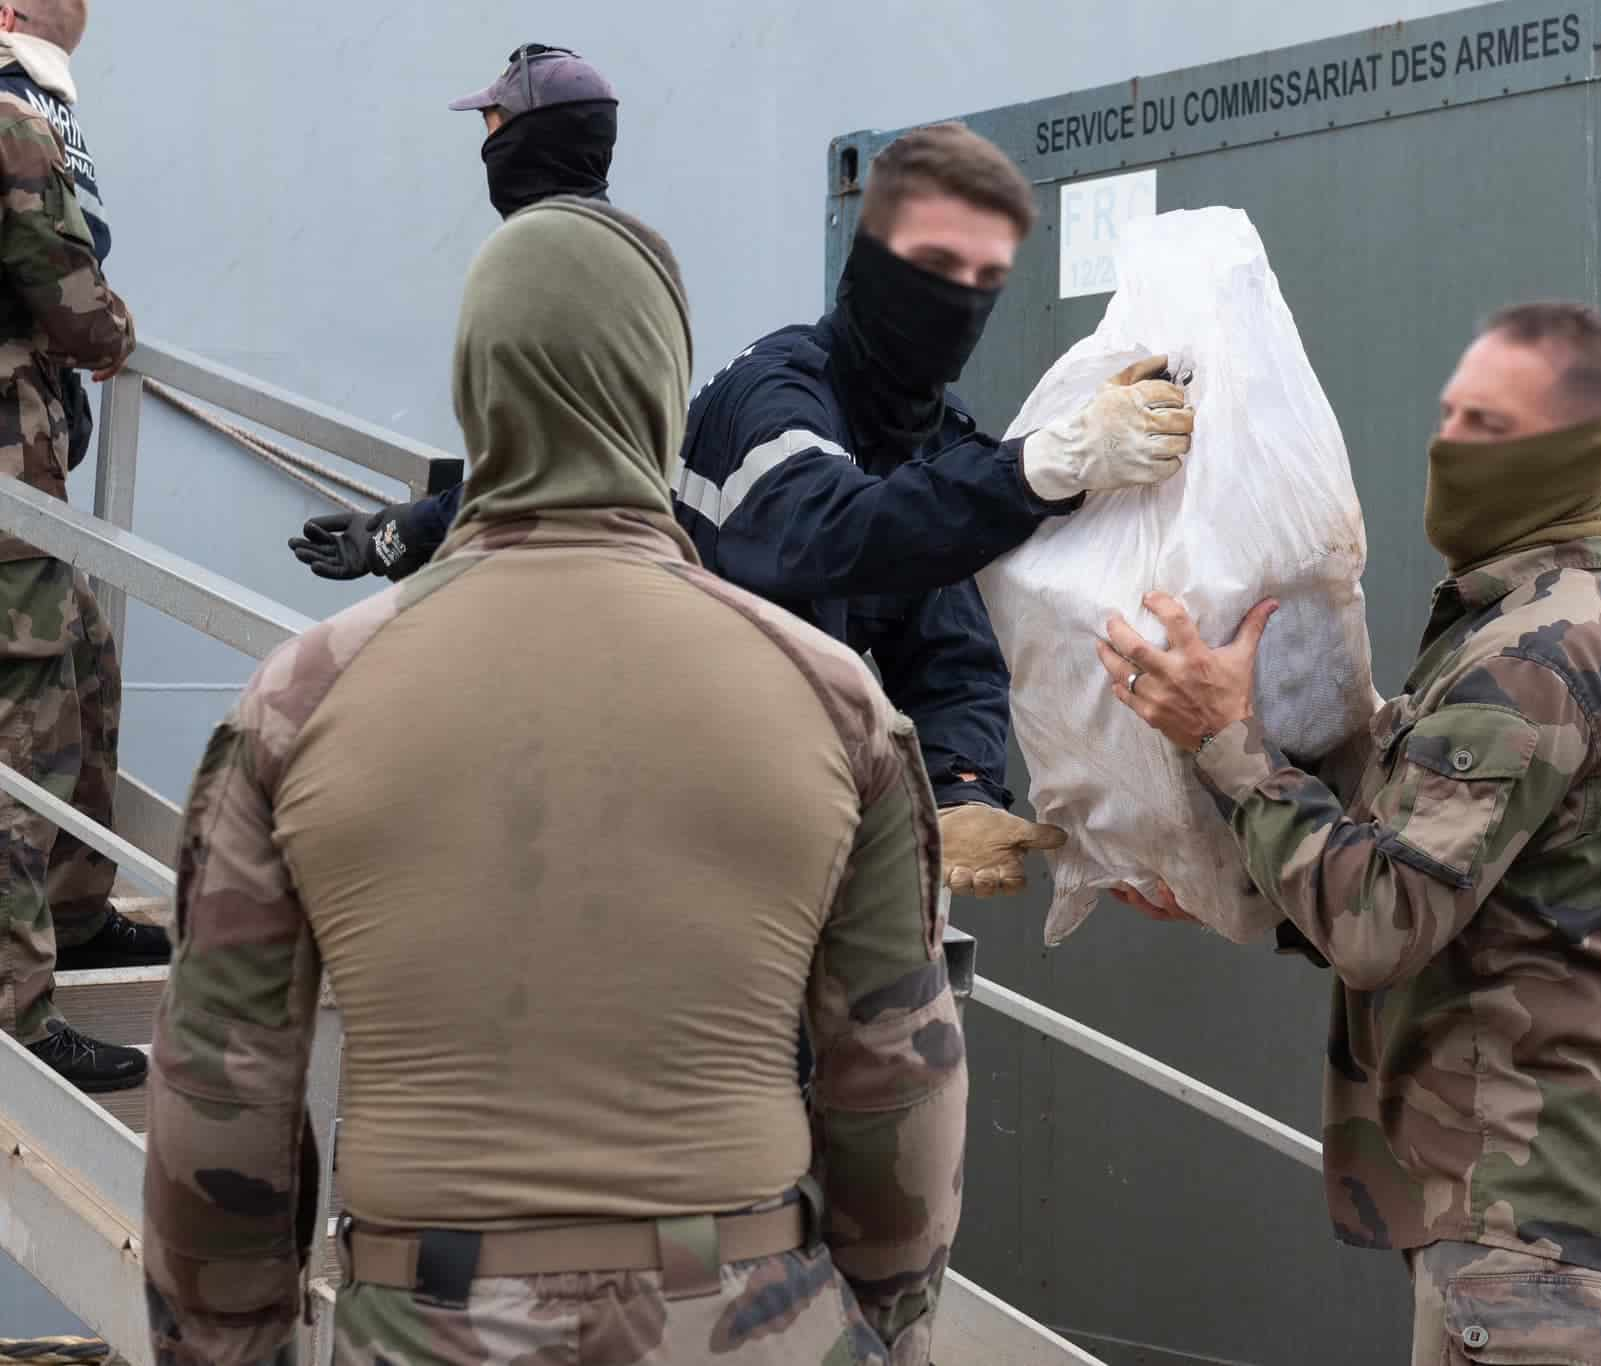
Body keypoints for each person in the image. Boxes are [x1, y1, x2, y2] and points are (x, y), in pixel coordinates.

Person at [145, 199, 965, 1365]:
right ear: (660, 395)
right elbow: (897, 1087)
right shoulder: (832, 701)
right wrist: (880, 1333)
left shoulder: (301, 700)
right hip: (749, 1317)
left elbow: (220, 1096)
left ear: (478, 388)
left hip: (422, 1318)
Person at [293, 120, 1195, 897]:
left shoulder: (939, 447)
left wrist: (958, 791)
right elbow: (820, 532)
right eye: (933, 264)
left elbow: (953, 656)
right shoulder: (775, 400)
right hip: (640, 813)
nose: (957, 297)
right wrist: (1046, 465)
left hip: (784, 832)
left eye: (981, 275)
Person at [1102, 302, 1601, 1365]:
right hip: (1524, 1208)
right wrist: (1221, 888)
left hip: (1530, 1226)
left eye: (1486, 425)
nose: (1447, 445)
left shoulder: (1530, 659)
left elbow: (1383, 919)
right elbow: (1451, 900)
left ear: (1566, 455)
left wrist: (1225, 744)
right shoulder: (1534, 620)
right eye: (1449, 413)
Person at [288, 42, 617, 583]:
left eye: (493, 126)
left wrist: (397, 537)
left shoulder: (546, 274)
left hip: (554, 588)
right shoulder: (618, 254)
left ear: (529, 139)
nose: (486, 148)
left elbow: (537, 482)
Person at [0, 0, 160, 1097]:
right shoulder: (13, 126)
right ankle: (16, 1011)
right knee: (22, 732)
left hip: (24, 473)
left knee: (86, 666)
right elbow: (72, 303)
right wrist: (116, 331)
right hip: (7, 473)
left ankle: (77, 913)